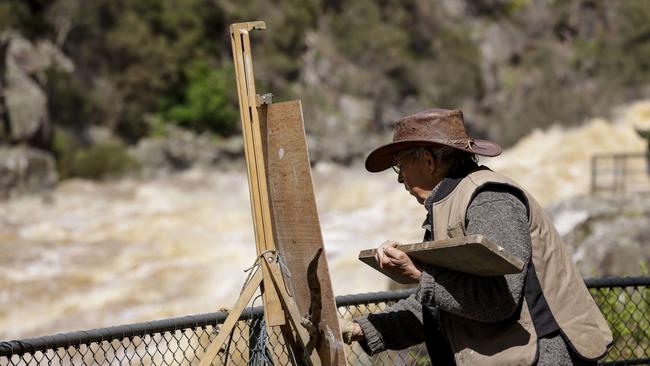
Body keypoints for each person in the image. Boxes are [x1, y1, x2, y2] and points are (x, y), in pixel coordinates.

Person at [341, 108, 612, 365]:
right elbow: (441, 304)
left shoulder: (489, 200)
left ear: (428, 160)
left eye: (400, 166)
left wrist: (419, 275)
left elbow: (500, 299)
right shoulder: (447, 203)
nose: (400, 180)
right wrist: (361, 329)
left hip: (542, 357)